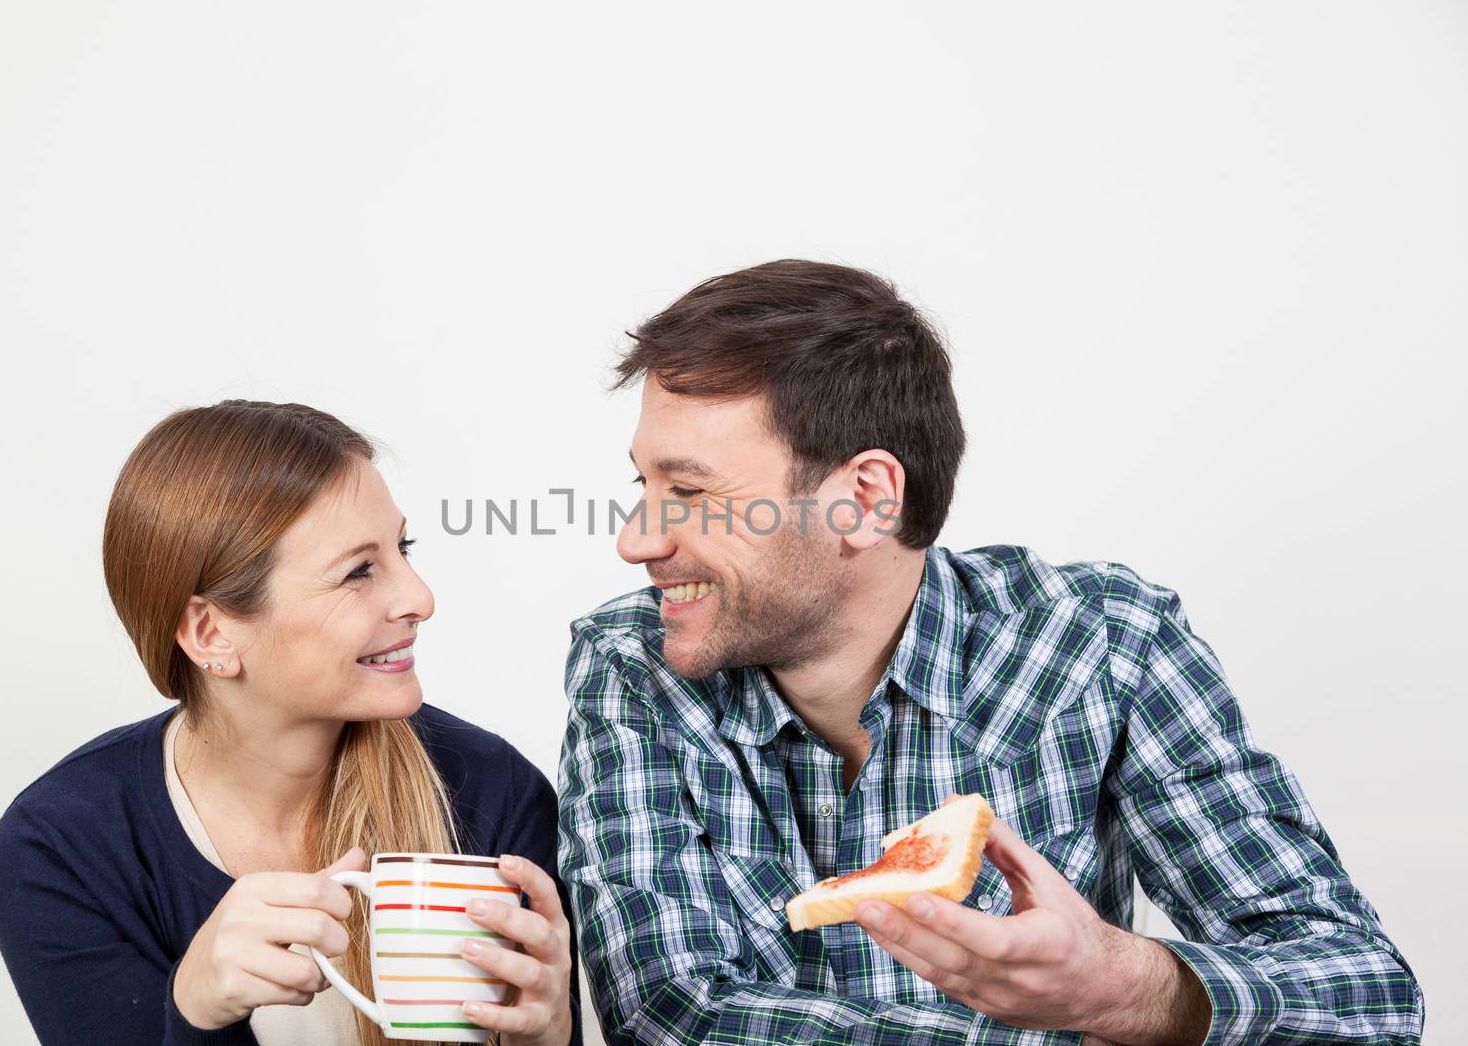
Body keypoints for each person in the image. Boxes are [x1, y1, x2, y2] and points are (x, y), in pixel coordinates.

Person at [557, 260, 1424, 1045]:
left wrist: (1119, 985)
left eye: (692, 491)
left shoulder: (1101, 642)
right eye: (646, 485)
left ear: (863, 498)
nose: (636, 540)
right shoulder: (631, 667)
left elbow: (1366, 995)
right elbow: (674, 1014)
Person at [0, 400, 580, 1046]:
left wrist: (547, 1037)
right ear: (210, 632)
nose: (420, 597)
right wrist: (196, 1012)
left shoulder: (492, 789)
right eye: (359, 571)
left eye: (402, 547)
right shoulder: (65, 845)